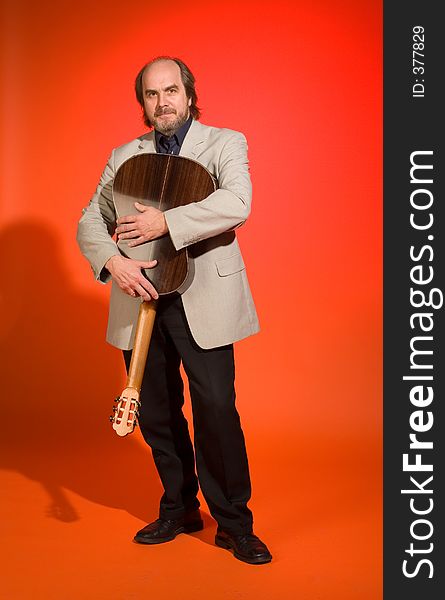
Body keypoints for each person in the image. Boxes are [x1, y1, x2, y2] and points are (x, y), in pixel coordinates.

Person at [77, 56, 272, 565]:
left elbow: (237, 202)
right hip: (140, 296)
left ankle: (234, 523)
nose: (162, 102)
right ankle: (179, 507)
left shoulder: (225, 142)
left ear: (189, 93)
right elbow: (89, 222)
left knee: (215, 410)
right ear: (142, 103)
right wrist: (114, 263)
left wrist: (167, 224)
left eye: (170, 91)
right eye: (151, 94)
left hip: (203, 296)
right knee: (158, 414)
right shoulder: (124, 154)